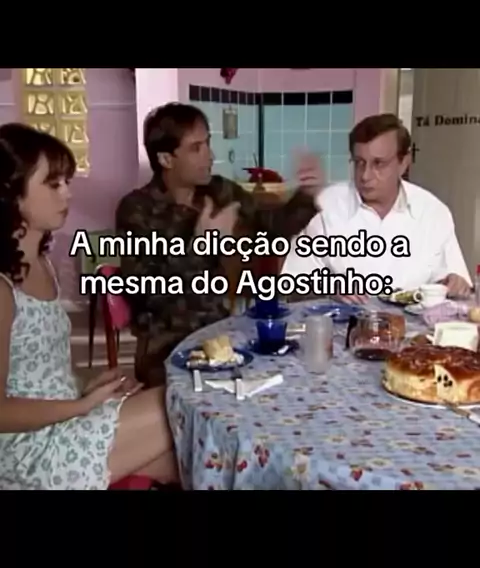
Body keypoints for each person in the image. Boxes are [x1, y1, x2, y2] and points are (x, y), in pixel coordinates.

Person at [0, 123, 178, 490]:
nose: (68, 192)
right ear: (11, 194)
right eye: (53, 184)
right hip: (29, 450)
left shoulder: (42, 264)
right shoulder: (1, 288)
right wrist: (80, 407)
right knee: (177, 403)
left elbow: (38, 371)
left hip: (62, 421)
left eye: (66, 181)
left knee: (186, 457)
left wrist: (88, 385)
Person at [116, 102, 323, 387]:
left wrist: (306, 196)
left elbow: (271, 227)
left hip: (221, 330)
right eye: (196, 148)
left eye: (208, 143)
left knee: (282, 376)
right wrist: (200, 247)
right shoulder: (136, 209)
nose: (210, 155)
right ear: (166, 159)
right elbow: (143, 291)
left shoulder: (219, 190)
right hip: (164, 344)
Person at [281, 113, 471, 301]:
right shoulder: (327, 208)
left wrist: (456, 284)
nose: (365, 176)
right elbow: (292, 285)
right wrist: (329, 290)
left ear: (404, 162)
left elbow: (458, 283)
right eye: (359, 163)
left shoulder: (434, 213)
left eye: (378, 164)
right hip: (344, 320)